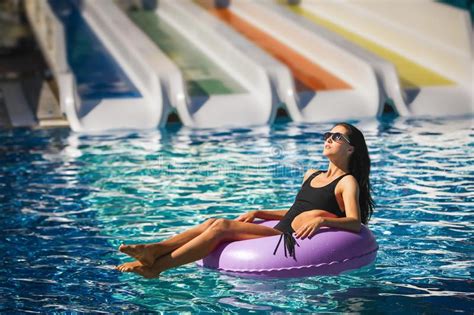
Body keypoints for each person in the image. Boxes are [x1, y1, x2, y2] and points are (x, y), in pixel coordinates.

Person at [115, 122, 374, 278]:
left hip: (288, 241)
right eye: (328, 135)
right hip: (280, 230)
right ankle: (155, 249)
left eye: (337, 137)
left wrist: (321, 222)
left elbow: (354, 222)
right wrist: (261, 211)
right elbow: (296, 210)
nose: (329, 139)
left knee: (221, 227)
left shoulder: (346, 182)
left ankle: (158, 266)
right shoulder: (312, 174)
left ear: (351, 149)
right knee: (213, 221)